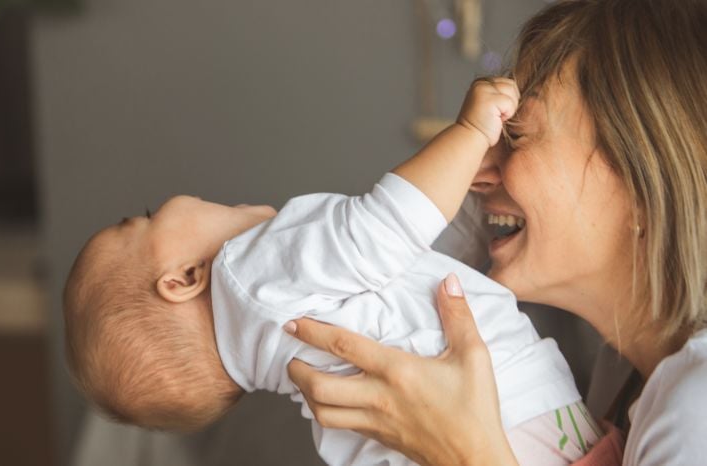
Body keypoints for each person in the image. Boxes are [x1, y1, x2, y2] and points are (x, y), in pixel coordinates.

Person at [63, 75, 604, 464]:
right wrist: (466, 133)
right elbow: (383, 228)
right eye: (147, 218)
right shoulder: (249, 272)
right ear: (182, 278)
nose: (167, 202)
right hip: (513, 411)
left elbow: (423, 261)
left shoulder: (273, 338)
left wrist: (465, 185)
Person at [284, 0, 707, 465]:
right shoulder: (628, 374)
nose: (478, 170)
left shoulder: (694, 415)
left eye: (518, 133)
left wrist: (465, 451)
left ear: (645, 183)